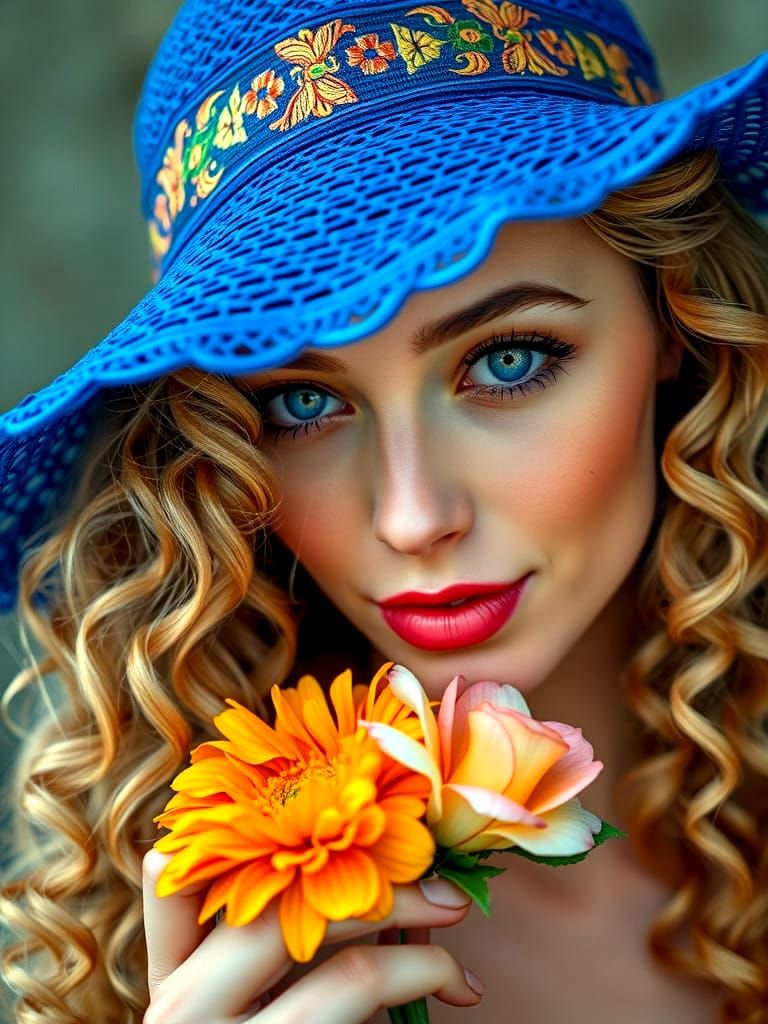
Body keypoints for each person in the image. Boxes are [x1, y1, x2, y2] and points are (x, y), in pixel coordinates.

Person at [0, 1, 766, 1021]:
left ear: (672, 320)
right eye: (301, 402)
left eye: (508, 360)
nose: (413, 516)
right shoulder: (186, 940)